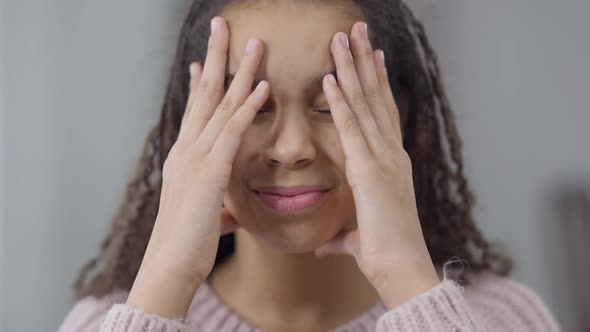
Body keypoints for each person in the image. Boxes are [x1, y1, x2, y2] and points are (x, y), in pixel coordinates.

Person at [57, 0, 562, 331]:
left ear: (399, 114)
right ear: (194, 123)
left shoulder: (504, 320)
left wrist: (404, 278)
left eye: (329, 104)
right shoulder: (105, 322)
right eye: (250, 107)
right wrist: (167, 280)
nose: (292, 147)